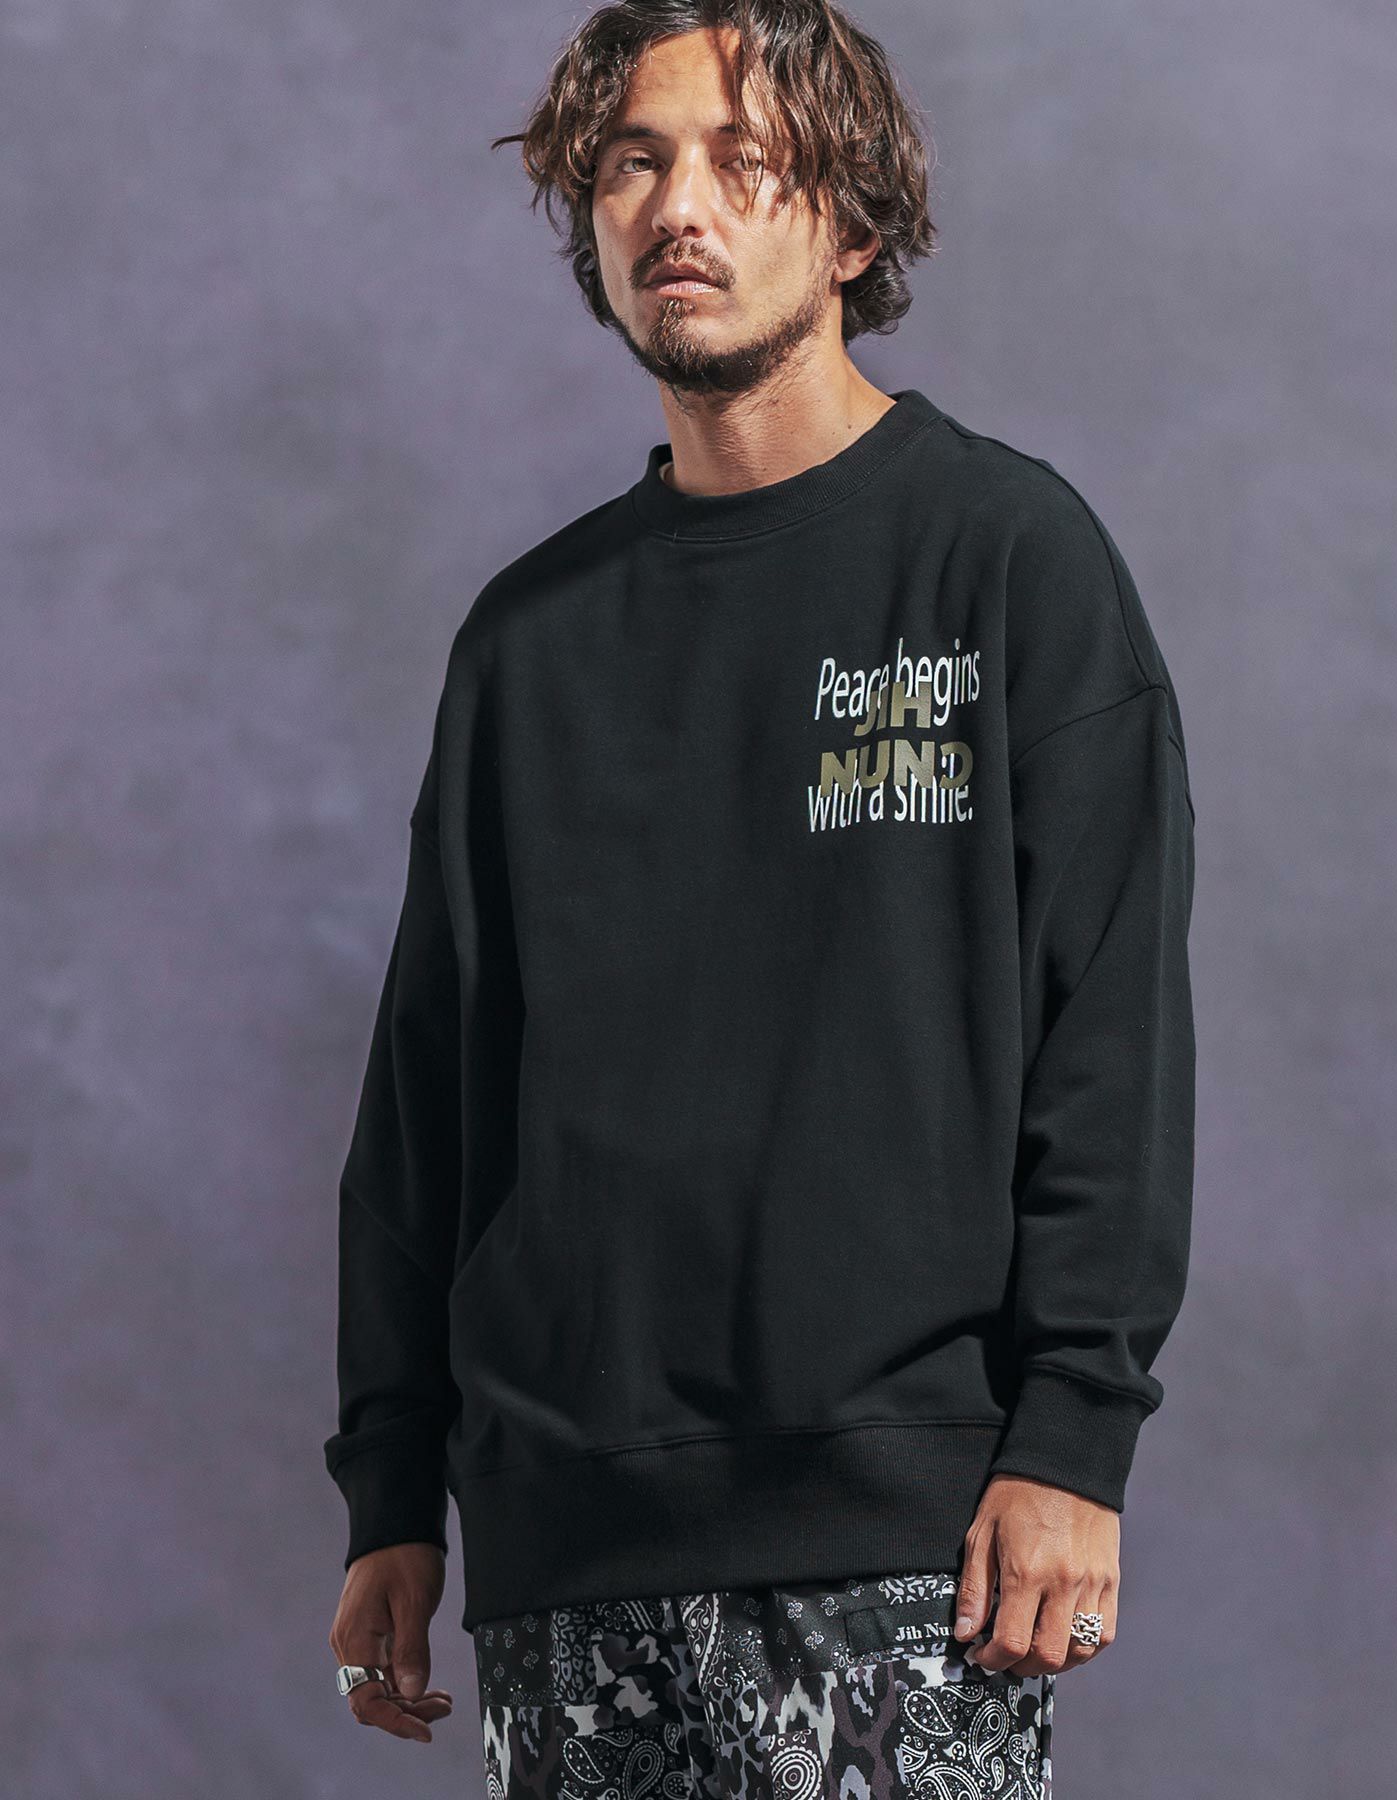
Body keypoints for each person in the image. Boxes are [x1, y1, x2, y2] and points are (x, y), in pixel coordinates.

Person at [322, 5, 1197, 1797]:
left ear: (853, 221)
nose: (679, 207)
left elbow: (1109, 1036)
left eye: (746, 160)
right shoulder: (527, 645)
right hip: (567, 1554)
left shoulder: (1008, 564)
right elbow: (428, 1098)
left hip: (905, 1545)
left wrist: (1075, 1433)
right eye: (634, 162)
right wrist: (391, 1487)